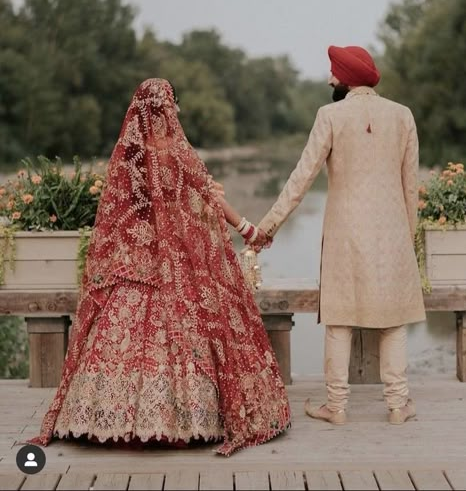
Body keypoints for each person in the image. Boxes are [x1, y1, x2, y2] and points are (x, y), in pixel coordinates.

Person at [30, 78, 290, 455]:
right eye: (174, 103)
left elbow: (122, 210)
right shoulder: (176, 152)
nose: (178, 111)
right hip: (175, 262)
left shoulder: (129, 153)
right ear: (165, 108)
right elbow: (208, 197)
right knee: (188, 323)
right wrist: (249, 230)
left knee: (119, 329)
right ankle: (186, 417)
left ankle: (99, 413)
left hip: (135, 259)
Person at [253, 46, 426, 426]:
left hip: (345, 234)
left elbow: (302, 178)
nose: (330, 79)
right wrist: (407, 239)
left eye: (333, 73)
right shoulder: (402, 116)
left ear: (346, 79)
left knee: (339, 318)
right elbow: (410, 186)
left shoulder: (330, 115)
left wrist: (267, 226)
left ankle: (337, 406)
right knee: (393, 320)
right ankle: (398, 405)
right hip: (393, 233)